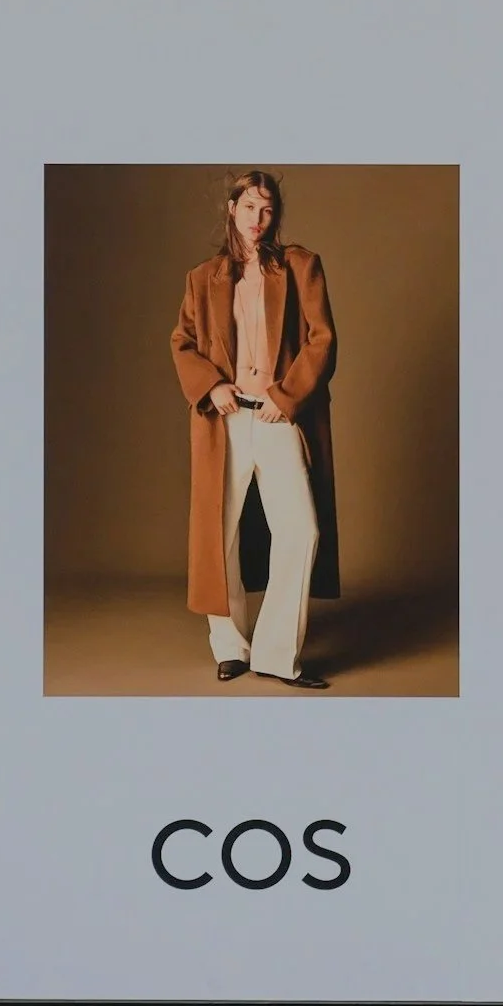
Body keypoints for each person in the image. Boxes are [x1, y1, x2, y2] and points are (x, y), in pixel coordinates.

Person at [170, 170, 339, 688]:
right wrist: (212, 386)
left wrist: (284, 397)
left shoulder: (301, 267)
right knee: (217, 534)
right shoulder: (203, 278)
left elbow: (322, 340)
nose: (258, 220)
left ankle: (274, 652)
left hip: (276, 415)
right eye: (249, 208)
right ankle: (230, 647)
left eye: (267, 210)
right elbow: (183, 342)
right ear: (232, 209)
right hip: (224, 419)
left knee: (301, 530)